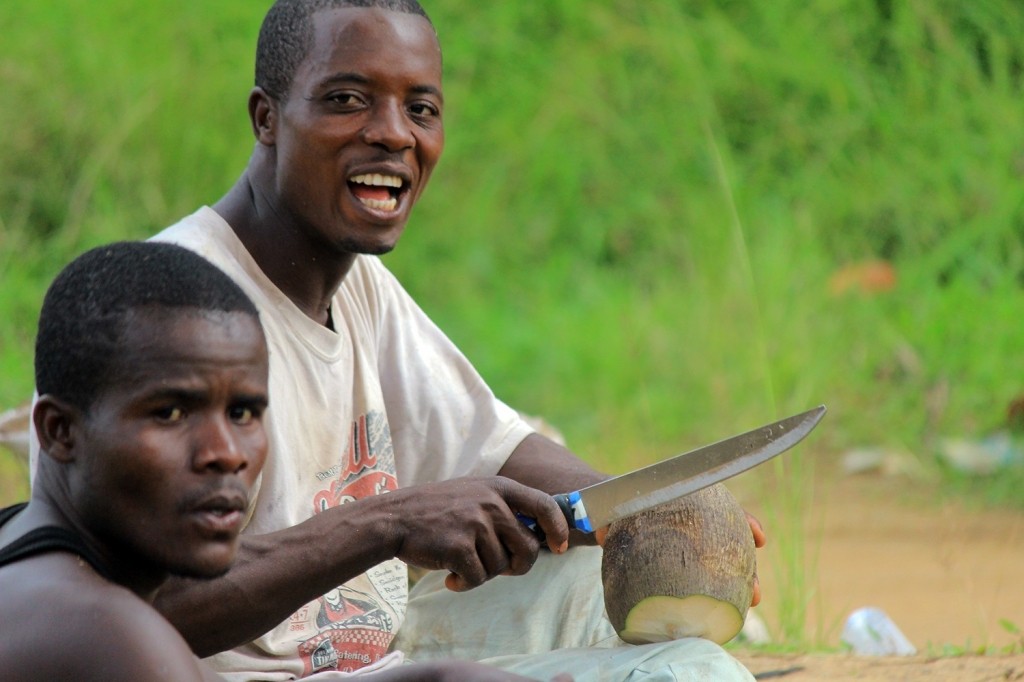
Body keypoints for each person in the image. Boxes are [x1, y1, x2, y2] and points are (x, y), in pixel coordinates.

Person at [31, 1, 765, 680]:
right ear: (267, 117)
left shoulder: (356, 286)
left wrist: (647, 513)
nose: (393, 132)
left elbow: (493, 446)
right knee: (684, 673)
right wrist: (389, 522)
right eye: (348, 100)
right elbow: (142, 605)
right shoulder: (179, 312)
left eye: (421, 109)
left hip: (381, 649)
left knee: (596, 585)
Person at [8, 241, 554, 682]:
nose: (224, 453)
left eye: (244, 412)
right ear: (58, 431)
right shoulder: (117, 642)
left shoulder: (30, 556)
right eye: (171, 413)